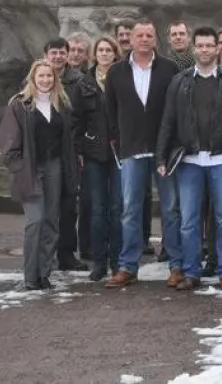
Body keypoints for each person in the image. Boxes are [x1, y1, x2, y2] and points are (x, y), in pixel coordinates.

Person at [156, 27, 222, 291]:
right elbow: (168, 121)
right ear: (194, 48)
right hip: (189, 161)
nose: (205, 50)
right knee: (189, 220)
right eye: (201, 46)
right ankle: (191, 271)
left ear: (218, 48)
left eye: (210, 45)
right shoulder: (180, 81)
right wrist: (161, 156)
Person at [104, 22, 183, 289]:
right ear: (131, 39)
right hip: (131, 151)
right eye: (140, 35)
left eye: (150, 35)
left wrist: (172, 145)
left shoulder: (170, 69)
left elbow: (176, 109)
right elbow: (110, 112)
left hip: (163, 152)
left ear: (155, 39)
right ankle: (128, 266)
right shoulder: (116, 72)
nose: (145, 39)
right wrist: (120, 140)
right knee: (130, 211)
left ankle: (176, 265)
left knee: (171, 210)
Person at [0, 58, 78, 291]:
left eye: (49, 76)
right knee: (35, 221)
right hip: (30, 169)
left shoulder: (61, 104)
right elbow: (9, 144)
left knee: (52, 222)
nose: (45, 80)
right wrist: (19, 167)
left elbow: (67, 141)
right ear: (33, 79)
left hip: (55, 168)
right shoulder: (19, 105)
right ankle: (30, 276)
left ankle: (44, 273)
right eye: (41, 76)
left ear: (55, 80)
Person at [41, 37, 94, 273]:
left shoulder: (78, 81)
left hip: (70, 150)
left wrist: (80, 146)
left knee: (68, 204)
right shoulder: (38, 79)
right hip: (44, 151)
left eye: (63, 52)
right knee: (43, 205)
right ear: (46, 55)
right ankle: (44, 252)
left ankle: (66, 253)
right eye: (54, 52)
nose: (59, 56)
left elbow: (84, 117)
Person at [76, 35, 123, 282]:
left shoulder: (123, 78)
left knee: (117, 208)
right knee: (97, 209)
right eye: (100, 50)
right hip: (94, 152)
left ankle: (117, 261)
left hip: (118, 151)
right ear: (95, 54)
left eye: (109, 50)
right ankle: (98, 261)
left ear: (115, 53)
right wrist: (80, 149)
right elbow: (76, 120)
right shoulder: (84, 83)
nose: (104, 54)